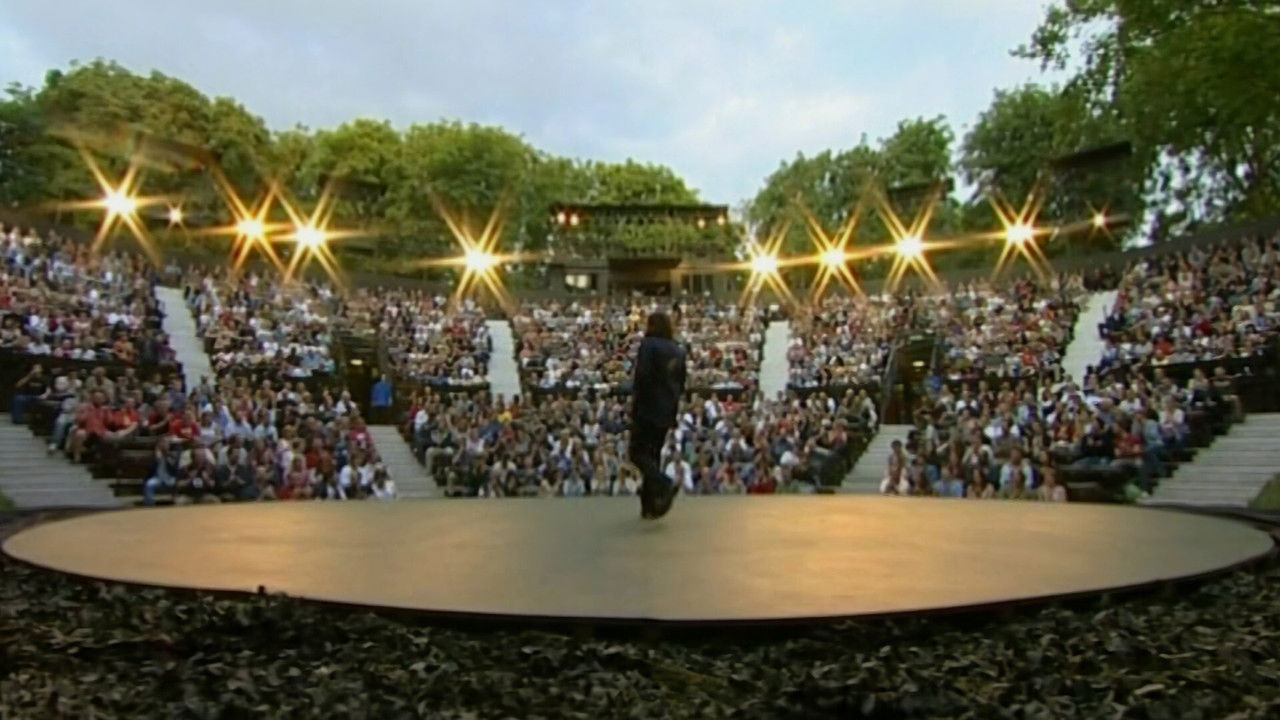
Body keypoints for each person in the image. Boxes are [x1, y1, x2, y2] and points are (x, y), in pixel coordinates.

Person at [629, 311, 686, 520]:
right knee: (652, 456)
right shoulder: (678, 350)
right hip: (666, 410)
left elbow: (642, 377)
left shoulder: (649, 344)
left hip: (648, 408)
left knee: (636, 454)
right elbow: (681, 384)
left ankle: (664, 482)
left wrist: (635, 405)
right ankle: (650, 506)